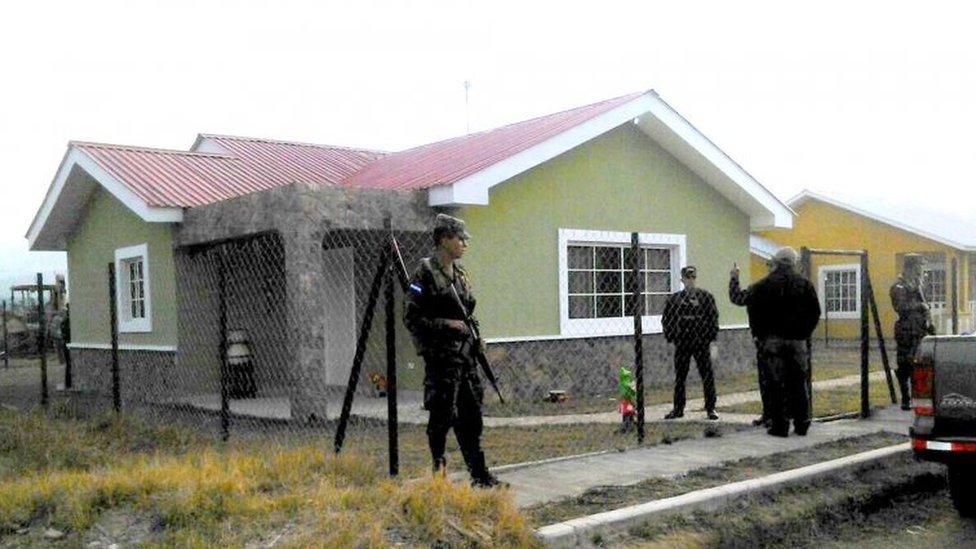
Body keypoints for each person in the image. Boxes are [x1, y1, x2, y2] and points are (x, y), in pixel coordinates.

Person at [403, 213, 503, 488]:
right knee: (441, 418)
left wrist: (476, 338)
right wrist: (447, 325)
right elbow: (412, 318)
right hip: (442, 359)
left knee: (471, 418)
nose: (464, 244)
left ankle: (479, 475)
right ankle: (439, 476)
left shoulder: (460, 273)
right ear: (444, 239)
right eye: (459, 238)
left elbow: (470, 314)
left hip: (465, 356)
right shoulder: (424, 273)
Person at [746, 247, 821, 437]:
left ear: (776, 262)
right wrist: (804, 333)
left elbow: (753, 311)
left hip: (772, 341)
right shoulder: (804, 285)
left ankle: (780, 426)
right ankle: (802, 423)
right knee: (798, 382)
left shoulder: (761, 286)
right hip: (797, 340)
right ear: (794, 262)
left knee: (776, 384)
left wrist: (759, 334)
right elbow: (815, 312)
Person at [662, 266, 720, 420]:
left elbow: (713, 318)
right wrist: (672, 337)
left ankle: (710, 408)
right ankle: (678, 408)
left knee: (707, 375)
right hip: (682, 343)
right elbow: (667, 320)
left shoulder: (705, 297)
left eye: (692, 278)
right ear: (682, 279)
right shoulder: (674, 299)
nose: (690, 281)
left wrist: (710, 339)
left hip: (701, 343)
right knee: (680, 376)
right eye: (687, 278)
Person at [729, 260, 774, 427]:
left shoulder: (783, 288)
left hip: (776, 339)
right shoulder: (759, 289)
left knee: (773, 378)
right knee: (767, 378)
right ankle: (770, 414)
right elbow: (738, 298)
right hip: (766, 340)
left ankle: (775, 414)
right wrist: (734, 279)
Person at [890, 253, 934, 410]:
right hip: (906, 331)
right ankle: (905, 398)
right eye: (919, 265)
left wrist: (929, 323)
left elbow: (926, 305)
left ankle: (918, 397)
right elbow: (900, 307)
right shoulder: (899, 286)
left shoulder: (918, 285)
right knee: (905, 365)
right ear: (911, 266)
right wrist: (919, 306)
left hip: (920, 330)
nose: (921, 269)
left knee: (921, 365)